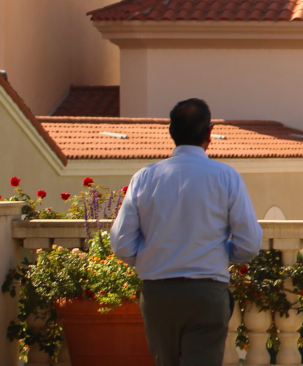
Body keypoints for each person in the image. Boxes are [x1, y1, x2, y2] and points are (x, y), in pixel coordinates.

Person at [110, 98, 263, 366]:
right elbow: (248, 244)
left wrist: (154, 256)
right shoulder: (226, 177)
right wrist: (220, 253)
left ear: (172, 132)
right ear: (209, 132)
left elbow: (122, 244)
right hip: (207, 293)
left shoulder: (145, 178)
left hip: (158, 295)